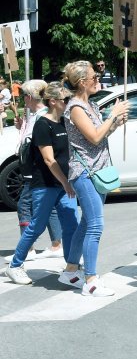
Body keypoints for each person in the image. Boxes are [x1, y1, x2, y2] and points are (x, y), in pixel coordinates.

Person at [59, 60, 130, 296]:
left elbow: (102, 134)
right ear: (82, 83)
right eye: (94, 78)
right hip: (85, 172)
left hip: (98, 171)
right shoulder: (76, 108)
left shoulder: (90, 105)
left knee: (87, 223)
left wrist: (115, 123)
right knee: (96, 225)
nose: (98, 80)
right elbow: (94, 137)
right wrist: (113, 116)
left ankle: (70, 269)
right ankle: (90, 280)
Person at [3, 83, 80, 285]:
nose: (68, 103)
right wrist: (65, 182)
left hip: (64, 184)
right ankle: (15, 265)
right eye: (65, 100)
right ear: (53, 101)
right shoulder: (42, 125)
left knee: (72, 225)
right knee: (37, 226)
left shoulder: (66, 122)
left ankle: (71, 268)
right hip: (45, 184)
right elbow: (48, 159)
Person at [9, 80, 64, 262]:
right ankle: (56, 244)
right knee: (50, 207)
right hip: (36, 167)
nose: (23, 99)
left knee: (24, 205)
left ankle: (28, 249)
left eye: (24, 95)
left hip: (35, 168)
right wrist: (21, 125)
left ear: (30, 97)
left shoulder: (40, 117)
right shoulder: (34, 115)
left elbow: (35, 144)